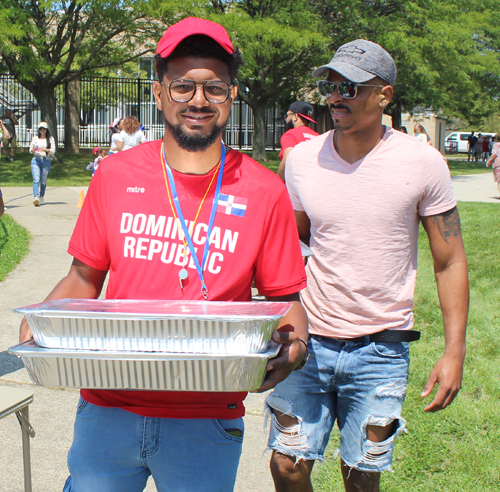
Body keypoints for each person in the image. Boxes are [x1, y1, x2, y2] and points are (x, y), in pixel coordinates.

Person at [19, 17, 309, 492]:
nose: (198, 100)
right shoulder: (114, 175)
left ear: (232, 96)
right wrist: (46, 314)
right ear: (158, 93)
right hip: (108, 406)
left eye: (214, 88)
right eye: (183, 87)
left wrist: (295, 349)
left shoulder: (265, 191)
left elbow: (286, 298)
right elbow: (83, 276)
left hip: (207, 416)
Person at [267, 39, 469, 492]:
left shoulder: (423, 163)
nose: (336, 97)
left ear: (385, 96)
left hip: (381, 350)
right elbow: (295, 239)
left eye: (351, 88)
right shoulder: (302, 160)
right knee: (286, 464)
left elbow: (450, 259)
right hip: (309, 342)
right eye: (330, 85)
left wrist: (454, 351)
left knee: (361, 477)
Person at [277, 101, 319, 181]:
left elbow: (288, 158)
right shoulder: (318, 136)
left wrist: (277, 183)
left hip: (295, 186)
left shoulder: (290, 135)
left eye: (287, 115)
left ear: (295, 116)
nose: (286, 119)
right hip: (315, 184)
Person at [29, 122, 56, 206]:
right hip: (36, 160)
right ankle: (35, 197)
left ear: (46, 129)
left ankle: (41, 196)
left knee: (43, 180)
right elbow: (30, 150)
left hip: (45, 160)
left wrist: (45, 149)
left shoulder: (50, 139)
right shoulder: (35, 138)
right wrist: (33, 150)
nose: (42, 130)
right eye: (40, 129)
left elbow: (53, 151)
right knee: (36, 178)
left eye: (43, 129)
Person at [486, 134, 500, 198]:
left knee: (499, 180)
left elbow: (494, 154)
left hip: (498, 163)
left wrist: (489, 161)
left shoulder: (496, 145)